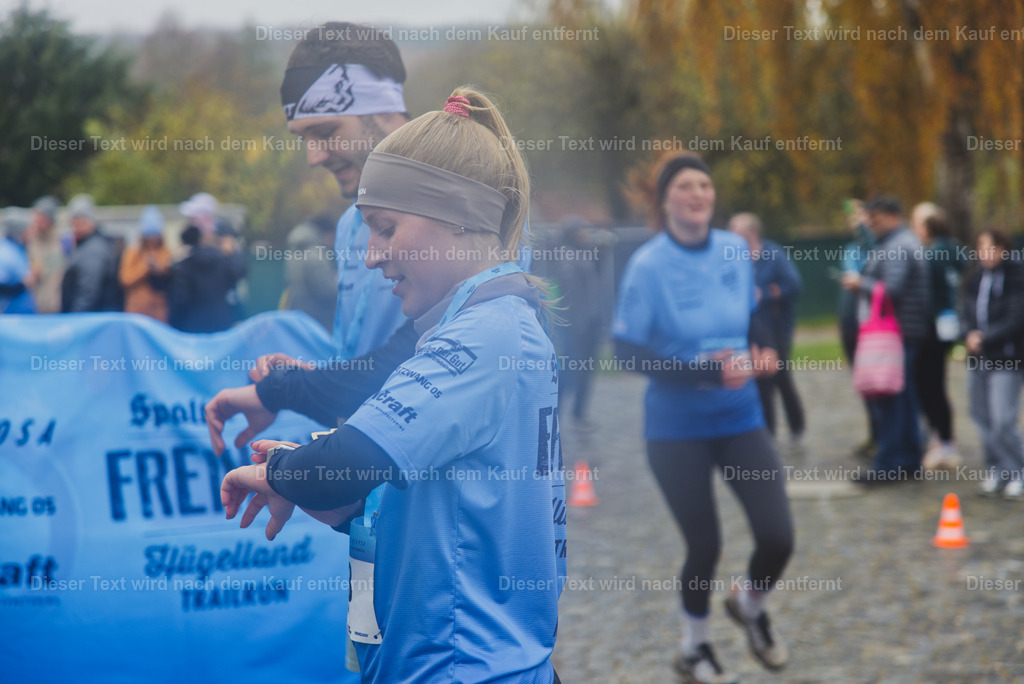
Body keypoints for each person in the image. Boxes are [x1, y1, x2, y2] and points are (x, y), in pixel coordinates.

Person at [219, 88, 565, 683]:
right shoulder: (481, 320)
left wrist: (279, 472)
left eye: (384, 228)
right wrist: (327, 488)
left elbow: (352, 458)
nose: (373, 256)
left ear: (459, 217)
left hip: (461, 667)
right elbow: (437, 495)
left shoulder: (486, 336)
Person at [613, 153, 793, 684]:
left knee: (778, 536)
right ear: (664, 199)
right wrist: (703, 374)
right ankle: (694, 649)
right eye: (685, 186)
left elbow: (752, 315)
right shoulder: (647, 265)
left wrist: (764, 350)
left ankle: (750, 607)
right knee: (705, 544)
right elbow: (626, 353)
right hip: (675, 431)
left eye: (705, 186)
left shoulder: (735, 250)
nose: (698, 194)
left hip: (741, 419)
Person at [205, 22, 417, 455]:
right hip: (377, 502)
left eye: (325, 133)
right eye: (304, 139)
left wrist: (290, 390)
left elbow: (425, 365)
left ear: (381, 109)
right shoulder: (348, 225)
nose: (313, 157)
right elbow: (370, 378)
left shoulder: (466, 205)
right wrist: (310, 380)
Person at [842, 195, 931, 484]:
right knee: (903, 397)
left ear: (892, 216)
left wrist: (860, 284)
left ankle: (889, 463)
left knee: (890, 397)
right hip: (904, 332)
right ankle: (907, 458)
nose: (872, 224)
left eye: (875, 218)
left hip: (897, 333)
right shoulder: (900, 242)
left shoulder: (898, 245)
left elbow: (891, 289)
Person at [728, 212, 805, 444]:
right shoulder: (731, 256)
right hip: (748, 329)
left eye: (735, 230)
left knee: (780, 378)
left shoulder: (773, 254)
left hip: (776, 328)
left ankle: (796, 425)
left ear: (751, 233)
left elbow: (793, 285)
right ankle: (766, 433)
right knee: (760, 380)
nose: (730, 235)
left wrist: (765, 293)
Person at [960, 228, 1024, 500]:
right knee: (981, 417)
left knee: (1002, 420)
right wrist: (968, 333)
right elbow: (964, 309)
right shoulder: (976, 277)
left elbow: (1015, 316)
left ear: (1001, 248)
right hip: (978, 358)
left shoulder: (1015, 276)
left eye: (987, 246)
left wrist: (986, 337)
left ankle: (1018, 470)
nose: (982, 252)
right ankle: (997, 470)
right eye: (979, 247)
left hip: (1005, 359)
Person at [910, 203, 966, 470]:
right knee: (935, 384)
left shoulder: (934, 254)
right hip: (946, 326)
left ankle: (943, 440)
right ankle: (942, 439)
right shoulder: (955, 249)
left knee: (931, 385)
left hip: (933, 327)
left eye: (918, 224)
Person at [168, 192, 247, 333]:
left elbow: (179, 300)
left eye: (192, 218)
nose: (189, 222)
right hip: (222, 327)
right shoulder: (224, 256)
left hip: (192, 331)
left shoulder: (187, 260)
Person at [836, 199, 878, 459]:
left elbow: (873, 252)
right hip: (850, 324)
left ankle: (886, 436)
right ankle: (875, 434)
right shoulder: (851, 249)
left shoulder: (878, 247)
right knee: (865, 385)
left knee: (880, 383)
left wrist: (863, 224)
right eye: (853, 219)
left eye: (862, 218)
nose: (856, 223)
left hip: (872, 327)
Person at [60, 194, 123, 313]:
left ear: (91, 222)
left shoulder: (94, 249)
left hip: (91, 319)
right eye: (74, 223)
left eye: (81, 223)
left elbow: (88, 292)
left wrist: (75, 320)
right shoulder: (84, 245)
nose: (76, 228)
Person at [281, 212, 339, 332]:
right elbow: (326, 290)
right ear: (326, 233)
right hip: (318, 319)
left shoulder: (295, 249)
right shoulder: (315, 252)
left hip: (300, 314)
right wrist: (337, 282)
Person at [119, 205, 172, 322]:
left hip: (159, 313)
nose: (152, 239)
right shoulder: (133, 252)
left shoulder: (165, 252)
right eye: (149, 235)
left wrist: (159, 269)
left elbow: (171, 279)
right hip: (136, 312)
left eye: (155, 235)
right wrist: (145, 267)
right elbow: (125, 279)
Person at [26, 196, 66, 313]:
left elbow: (55, 277)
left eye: (40, 217)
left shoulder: (61, 241)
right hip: (35, 303)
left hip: (54, 306)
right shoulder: (32, 240)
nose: (36, 220)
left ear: (50, 219)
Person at [0, 209, 36, 314]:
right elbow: (2, 285)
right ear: (19, 230)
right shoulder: (5, 252)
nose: (31, 232)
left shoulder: (19, 248)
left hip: (24, 314)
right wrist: (23, 284)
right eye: (27, 229)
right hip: (12, 318)